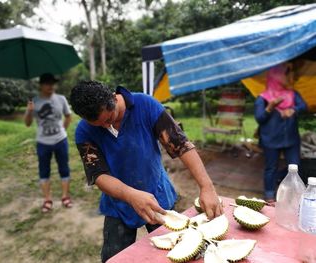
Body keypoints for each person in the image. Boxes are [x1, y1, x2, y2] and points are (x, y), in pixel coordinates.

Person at [70, 81, 223, 262]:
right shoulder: (84, 130)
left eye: (109, 119)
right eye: (98, 125)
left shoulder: (145, 105)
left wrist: (207, 186)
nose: (105, 127)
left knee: (178, 253)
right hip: (118, 203)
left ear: (113, 97)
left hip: (158, 195)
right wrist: (130, 195)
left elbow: (181, 145)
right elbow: (98, 174)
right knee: (114, 259)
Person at [254, 63, 307, 203]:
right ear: (275, 76)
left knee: (295, 167)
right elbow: (259, 118)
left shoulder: (292, 94)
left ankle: (294, 195)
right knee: (271, 167)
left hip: (291, 139)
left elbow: (304, 106)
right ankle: (270, 196)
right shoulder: (263, 98)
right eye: (286, 73)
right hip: (270, 139)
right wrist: (270, 107)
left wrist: (293, 109)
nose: (289, 77)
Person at [24, 73, 72, 212]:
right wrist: (29, 111)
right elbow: (27, 124)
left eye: (53, 83)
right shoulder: (34, 101)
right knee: (44, 171)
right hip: (43, 142)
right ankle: (47, 199)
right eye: (47, 83)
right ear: (41, 85)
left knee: (64, 168)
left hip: (60, 140)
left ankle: (65, 196)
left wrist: (62, 129)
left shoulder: (61, 99)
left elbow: (68, 116)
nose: (51, 86)